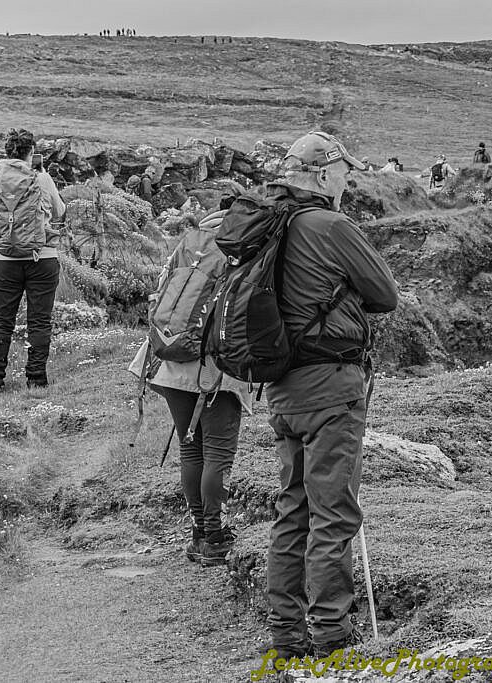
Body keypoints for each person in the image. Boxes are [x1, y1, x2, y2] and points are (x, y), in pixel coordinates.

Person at [263, 131, 398, 658]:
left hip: (282, 387)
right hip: (331, 388)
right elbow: (384, 294)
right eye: (345, 171)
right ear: (322, 173)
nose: (350, 180)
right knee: (334, 512)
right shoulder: (331, 224)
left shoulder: (270, 221)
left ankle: (286, 633)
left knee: (292, 506)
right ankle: (331, 636)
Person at [127, 186, 252, 566]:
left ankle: (199, 531)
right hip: (214, 370)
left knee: (190, 447)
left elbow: (163, 291)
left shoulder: (189, 240)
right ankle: (214, 536)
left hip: (168, 361)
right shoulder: (243, 249)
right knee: (217, 453)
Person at [0, 129, 65, 406]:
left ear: (7, 151)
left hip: (5, 260)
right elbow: (59, 211)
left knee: (2, 321)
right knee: (39, 320)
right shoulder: (42, 178)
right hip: (43, 257)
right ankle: (36, 379)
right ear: (30, 152)